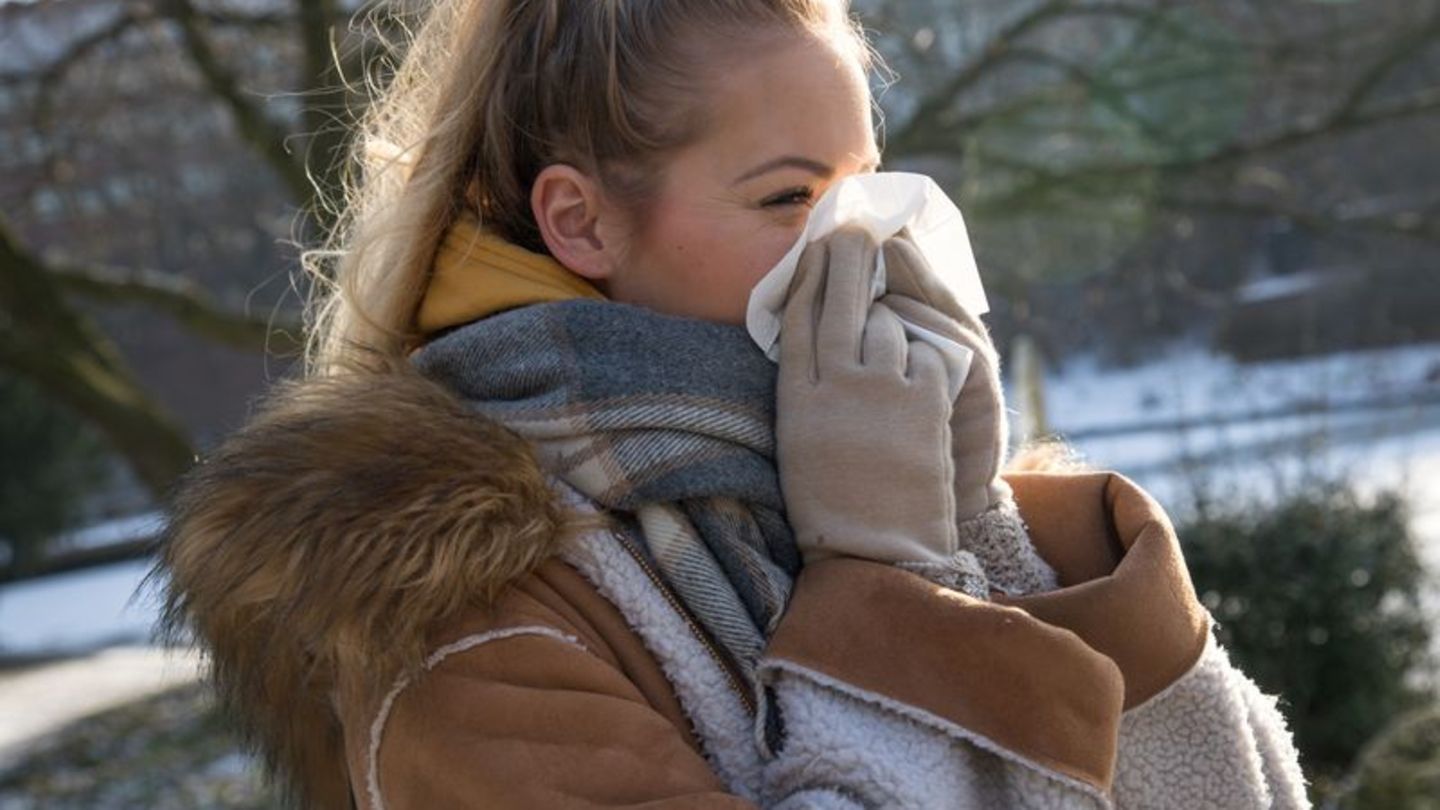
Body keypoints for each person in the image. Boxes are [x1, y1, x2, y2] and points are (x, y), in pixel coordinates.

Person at [156, 1, 1309, 808]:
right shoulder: (459, 615)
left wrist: (981, 532)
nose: (856, 244)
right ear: (582, 222)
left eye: (864, 186)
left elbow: (1238, 790)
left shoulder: (870, 477)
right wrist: (880, 580)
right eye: (788, 196)